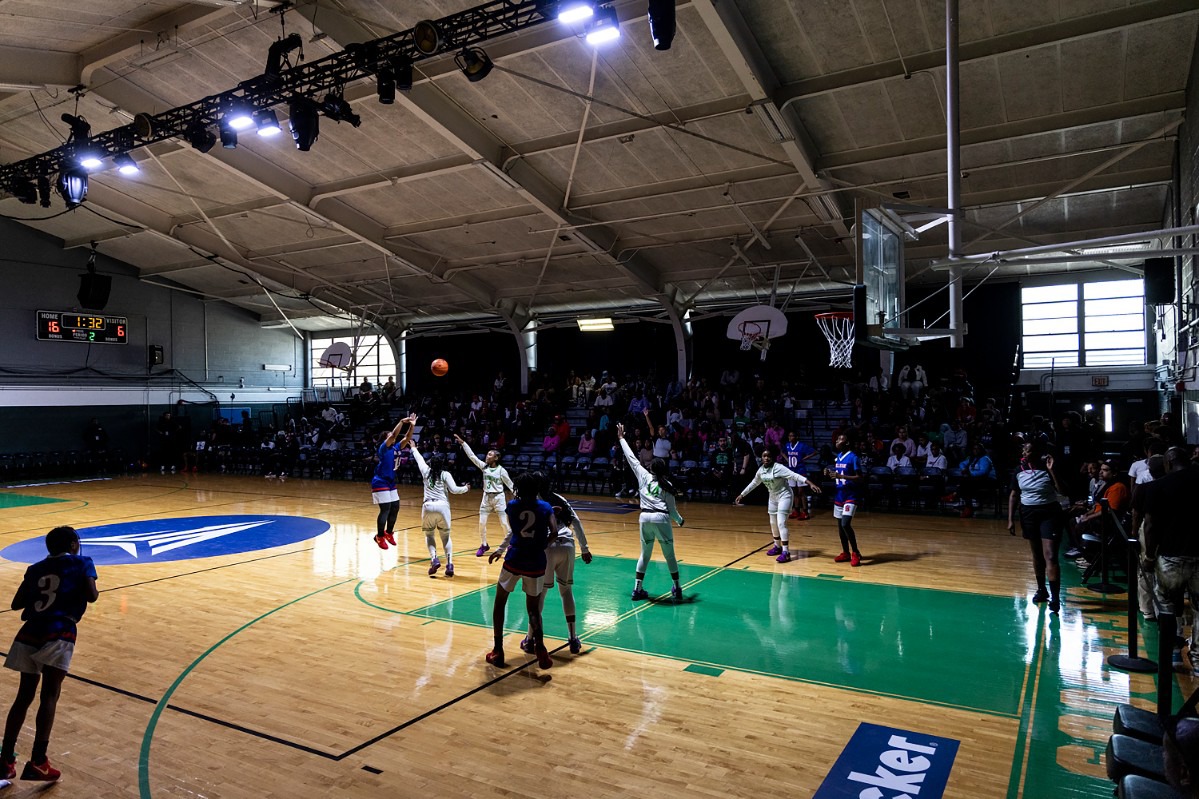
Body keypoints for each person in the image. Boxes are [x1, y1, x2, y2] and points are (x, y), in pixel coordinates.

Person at [2, 525, 99, 782]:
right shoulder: (82, 563)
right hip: (59, 631)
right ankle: (38, 761)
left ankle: (5, 759)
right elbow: (92, 596)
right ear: (72, 545)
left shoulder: (35, 569)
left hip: (30, 630)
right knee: (50, 696)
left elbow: (16, 603)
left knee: (23, 697)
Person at [486, 473, 555, 669]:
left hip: (515, 558)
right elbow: (554, 532)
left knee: (500, 603)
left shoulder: (512, 506)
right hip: (536, 561)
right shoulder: (545, 507)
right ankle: (540, 648)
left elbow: (514, 530)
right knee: (533, 609)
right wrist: (542, 545)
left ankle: (498, 650)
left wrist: (500, 549)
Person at [518, 475, 592, 656]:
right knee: (566, 591)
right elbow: (576, 521)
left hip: (547, 546)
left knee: (538, 595)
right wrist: (585, 548)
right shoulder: (559, 498)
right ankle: (573, 639)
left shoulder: (531, 503)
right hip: (567, 544)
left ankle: (529, 639)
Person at [1143, 447, 1199, 671]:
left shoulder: (1158, 486)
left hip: (1170, 555)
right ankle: (1197, 658)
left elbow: (1150, 524)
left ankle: (1173, 652)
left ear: (1168, 462)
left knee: (1167, 604)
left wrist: (1149, 555)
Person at [616, 421, 686, 601]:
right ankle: (677, 588)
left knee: (644, 555)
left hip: (644, 518)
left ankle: (637, 589)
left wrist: (622, 438)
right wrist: (680, 521)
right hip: (661, 519)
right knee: (669, 555)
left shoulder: (643, 476)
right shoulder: (667, 485)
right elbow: (672, 511)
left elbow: (631, 457)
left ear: (651, 468)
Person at [735, 443, 822, 563]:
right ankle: (777, 546)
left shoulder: (779, 467)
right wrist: (742, 494)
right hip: (773, 497)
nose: (766, 458)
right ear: (761, 457)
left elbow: (794, 475)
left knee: (781, 523)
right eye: (764, 456)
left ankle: (786, 552)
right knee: (773, 523)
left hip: (785, 495)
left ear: (773, 457)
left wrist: (810, 483)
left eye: (769, 456)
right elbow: (754, 483)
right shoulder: (761, 470)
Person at [1007, 441, 1067, 612]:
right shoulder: (1018, 471)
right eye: (1024, 450)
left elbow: (1062, 491)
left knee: (1050, 555)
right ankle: (1042, 590)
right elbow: (1013, 495)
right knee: (1037, 554)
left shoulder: (1047, 467)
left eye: (1030, 450)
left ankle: (1055, 598)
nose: (1026, 452)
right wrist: (1011, 519)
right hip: (1028, 513)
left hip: (1049, 512)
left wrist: (1052, 470)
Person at [405, 425, 470, 577]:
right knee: (445, 537)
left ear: (431, 463)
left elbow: (419, 459)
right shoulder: (445, 474)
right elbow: (454, 490)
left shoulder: (425, 471)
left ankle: (434, 559)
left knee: (429, 535)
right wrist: (466, 488)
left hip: (428, 506)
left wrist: (413, 447)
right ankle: (449, 564)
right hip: (443, 507)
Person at [455, 434, 514, 557]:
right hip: (486, 498)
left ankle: (510, 544)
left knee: (504, 523)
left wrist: (520, 496)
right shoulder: (484, 467)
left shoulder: (502, 471)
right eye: (487, 454)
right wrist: (463, 443)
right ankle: (484, 544)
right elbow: (472, 456)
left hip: (499, 498)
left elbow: (510, 485)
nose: (487, 456)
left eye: (490, 455)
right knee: (482, 523)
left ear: (496, 458)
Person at [369, 414, 416, 551]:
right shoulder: (384, 448)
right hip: (380, 481)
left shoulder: (396, 447)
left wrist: (412, 425)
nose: (392, 435)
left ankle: (389, 533)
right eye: (389, 435)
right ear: (386, 439)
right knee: (386, 509)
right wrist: (402, 421)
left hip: (390, 481)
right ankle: (379, 536)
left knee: (395, 507)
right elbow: (394, 435)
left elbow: (407, 438)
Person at [824, 434, 863, 566]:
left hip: (851, 495)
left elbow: (859, 477)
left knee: (846, 524)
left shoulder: (854, 457)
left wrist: (842, 475)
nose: (837, 441)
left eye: (840, 439)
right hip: (839, 495)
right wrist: (830, 473)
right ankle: (846, 552)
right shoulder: (839, 456)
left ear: (847, 443)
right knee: (840, 527)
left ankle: (856, 552)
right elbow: (838, 474)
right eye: (837, 439)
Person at [782, 431, 817, 520]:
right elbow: (782, 452)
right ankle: (796, 510)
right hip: (791, 471)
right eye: (789, 436)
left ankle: (805, 512)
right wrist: (787, 459)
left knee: (801, 492)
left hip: (800, 471)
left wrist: (803, 459)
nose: (791, 437)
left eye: (792, 436)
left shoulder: (801, 446)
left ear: (796, 437)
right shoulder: (787, 445)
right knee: (794, 492)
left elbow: (814, 452)